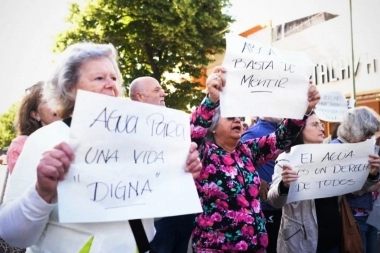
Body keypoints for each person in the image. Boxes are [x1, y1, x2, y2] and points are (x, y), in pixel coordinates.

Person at [0, 42, 202, 252]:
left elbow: (149, 214)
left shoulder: (140, 140)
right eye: (99, 78)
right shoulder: (46, 139)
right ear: (69, 88)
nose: (110, 84)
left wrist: (179, 177)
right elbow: (13, 234)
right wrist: (42, 193)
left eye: (113, 78)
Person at [190, 66, 321, 252]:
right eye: (229, 117)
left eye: (238, 117)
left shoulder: (247, 151)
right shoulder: (204, 154)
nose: (237, 120)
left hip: (255, 246)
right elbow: (193, 133)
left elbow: (281, 137)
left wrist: (304, 108)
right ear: (212, 127)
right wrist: (211, 100)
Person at [268, 111, 380, 253]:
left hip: (334, 239)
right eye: (315, 124)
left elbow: (355, 188)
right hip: (301, 241)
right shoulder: (287, 159)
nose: (321, 128)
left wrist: (372, 174)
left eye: (321, 124)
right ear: (299, 129)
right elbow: (274, 201)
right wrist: (284, 185)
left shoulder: (333, 155)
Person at [129, 76, 196, 253]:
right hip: (157, 214)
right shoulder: (127, 125)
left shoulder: (174, 122)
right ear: (140, 96)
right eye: (157, 90)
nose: (163, 93)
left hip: (182, 208)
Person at [331, 106, 380, 253]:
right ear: (355, 129)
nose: (368, 137)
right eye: (366, 133)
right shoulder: (336, 149)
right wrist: (373, 181)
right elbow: (346, 187)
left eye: (370, 134)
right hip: (351, 216)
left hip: (369, 214)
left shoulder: (362, 146)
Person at [241, 117, 283, 253]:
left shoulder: (281, 131)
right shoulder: (253, 133)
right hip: (267, 208)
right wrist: (257, 179)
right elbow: (238, 161)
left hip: (284, 204)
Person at [7, 81, 60, 174]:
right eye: (48, 101)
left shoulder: (73, 135)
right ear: (36, 115)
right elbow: (21, 183)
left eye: (58, 99)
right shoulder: (21, 144)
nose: (56, 104)